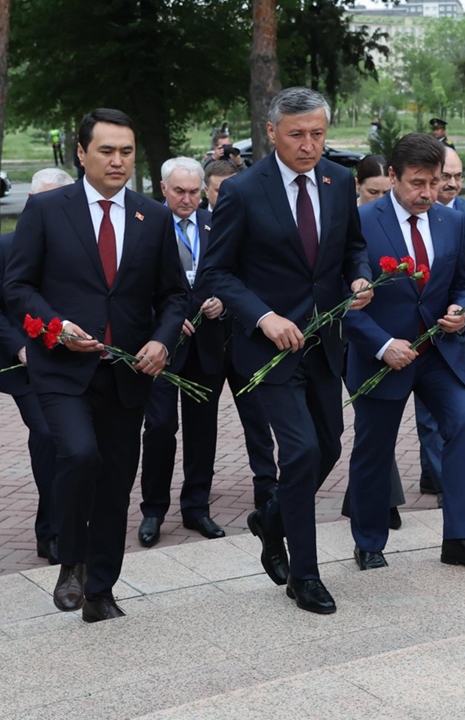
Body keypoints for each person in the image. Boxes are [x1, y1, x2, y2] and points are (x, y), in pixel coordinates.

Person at [4, 108, 187, 623]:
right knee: (80, 456)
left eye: (126, 151)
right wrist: (55, 326)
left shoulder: (152, 216)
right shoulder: (47, 210)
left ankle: (100, 590)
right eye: (106, 150)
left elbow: (174, 294)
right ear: (81, 154)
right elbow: (17, 286)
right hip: (62, 369)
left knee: (114, 482)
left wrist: (161, 341)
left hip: (128, 374)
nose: (118, 161)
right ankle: (70, 557)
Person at [200, 87, 373, 614]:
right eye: (297, 134)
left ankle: (270, 518)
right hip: (268, 349)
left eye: (318, 133)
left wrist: (360, 279)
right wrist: (263, 315)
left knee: (328, 448)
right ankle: (306, 575)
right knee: (297, 452)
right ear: (272, 132)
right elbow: (217, 273)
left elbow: (353, 248)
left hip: (324, 343)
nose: (309, 144)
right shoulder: (243, 191)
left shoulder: (339, 181)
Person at [344, 133, 465, 574]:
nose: (429, 194)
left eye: (435, 183)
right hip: (382, 355)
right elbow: (343, 300)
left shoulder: (451, 221)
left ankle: (460, 538)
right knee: (374, 447)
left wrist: (461, 309)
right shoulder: (359, 222)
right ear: (393, 176)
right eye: (418, 183)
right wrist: (381, 345)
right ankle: (369, 541)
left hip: (437, 352)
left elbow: (463, 281)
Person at [0, 167, 75, 567]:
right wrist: (19, 347)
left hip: (77, 363)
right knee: (50, 435)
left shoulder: (79, 246)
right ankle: (50, 530)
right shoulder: (6, 246)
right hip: (28, 367)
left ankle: (76, 520)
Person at [138, 158, 228, 547]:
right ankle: (153, 510)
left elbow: (231, 271)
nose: (188, 199)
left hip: (206, 345)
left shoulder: (215, 225)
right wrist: (165, 320)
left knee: (202, 429)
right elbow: (132, 287)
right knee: (159, 427)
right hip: (161, 345)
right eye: (180, 191)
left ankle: (196, 507)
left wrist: (221, 300)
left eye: (194, 192)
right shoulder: (147, 227)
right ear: (163, 189)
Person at [408, 146, 465, 505]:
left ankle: (434, 474)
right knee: (427, 411)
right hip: (414, 327)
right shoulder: (411, 215)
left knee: (449, 406)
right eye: (447, 176)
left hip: (456, 326)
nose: (454, 183)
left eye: (459, 176)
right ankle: (442, 481)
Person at [201, 159, 280, 508]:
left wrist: (232, 305)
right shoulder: (197, 224)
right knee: (201, 423)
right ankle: (197, 495)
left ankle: (267, 485)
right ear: (208, 190)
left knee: (257, 418)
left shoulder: (254, 221)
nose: (227, 194)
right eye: (219, 189)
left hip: (247, 335)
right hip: (204, 342)